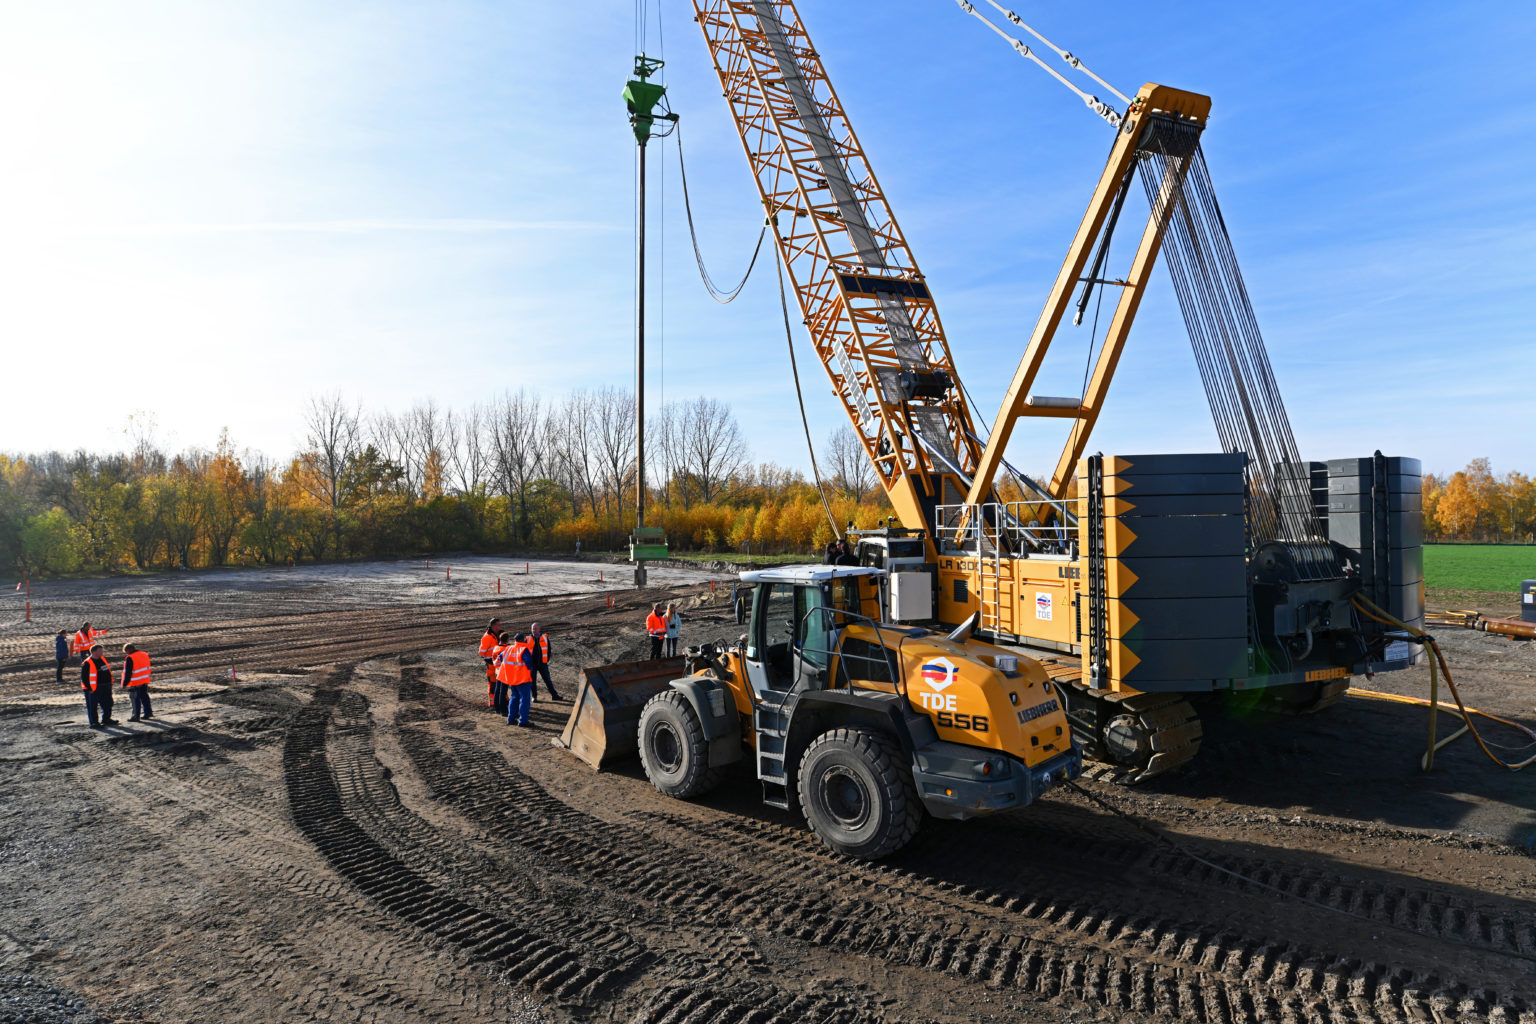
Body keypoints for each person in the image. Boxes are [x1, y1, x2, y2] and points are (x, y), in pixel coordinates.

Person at [500, 633, 536, 728]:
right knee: (524, 699)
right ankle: (523, 721)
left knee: (514, 697)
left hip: (512, 679)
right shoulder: (524, 649)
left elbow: (500, 657)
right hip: (522, 679)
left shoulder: (509, 648)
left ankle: (511, 719)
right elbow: (528, 662)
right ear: (524, 640)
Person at [81, 643, 115, 728]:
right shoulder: (87, 663)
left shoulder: (102, 659)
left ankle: (106, 719)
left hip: (105, 686)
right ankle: (94, 723)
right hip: (94, 688)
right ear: (93, 652)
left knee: (108, 703)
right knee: (92, 706)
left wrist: (110, 683)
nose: (102, 652)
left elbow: (107, 671)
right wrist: (89, 688)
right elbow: (84, 678)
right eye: (100, 651)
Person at [526, 622, 561, 701]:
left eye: (535, 628)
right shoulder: (527, 639)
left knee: (547, 680)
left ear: (539, 629)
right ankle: (534, 697)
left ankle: (554, 695)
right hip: (532, 664)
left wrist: (546, 659)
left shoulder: (544, 637)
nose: (533, 630)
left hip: (543, 664)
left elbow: (549, 649)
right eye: (532, 629)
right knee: (533, 682)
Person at [120, 643, 153, 721]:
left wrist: (125, 683)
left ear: (128, 650)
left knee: (135, 700)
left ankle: (135, 716)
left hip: (135, 682)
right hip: (144, 680)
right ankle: (148, 713)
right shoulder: (144, 654)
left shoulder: (130, 658)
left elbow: (128, 672)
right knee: (145, 697)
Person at [477, 618, 503, 708]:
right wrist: (489, 659)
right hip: (491, 664)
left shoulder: (498, 634)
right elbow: (481, 652)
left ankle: (503, 698)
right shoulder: (487, 637)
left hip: (498, 664)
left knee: (501, 681)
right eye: (499, 625)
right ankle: (492, 702)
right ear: (493, 626)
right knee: (493, 683)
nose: (500, 626)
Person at [490, 631, 513, 715]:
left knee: (497, 690)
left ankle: (497, 708)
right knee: (503, 691)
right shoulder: (508, 648)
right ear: (507, 639)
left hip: (497, 671)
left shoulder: (496, 648)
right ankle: (503, 710)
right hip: (505, 672)